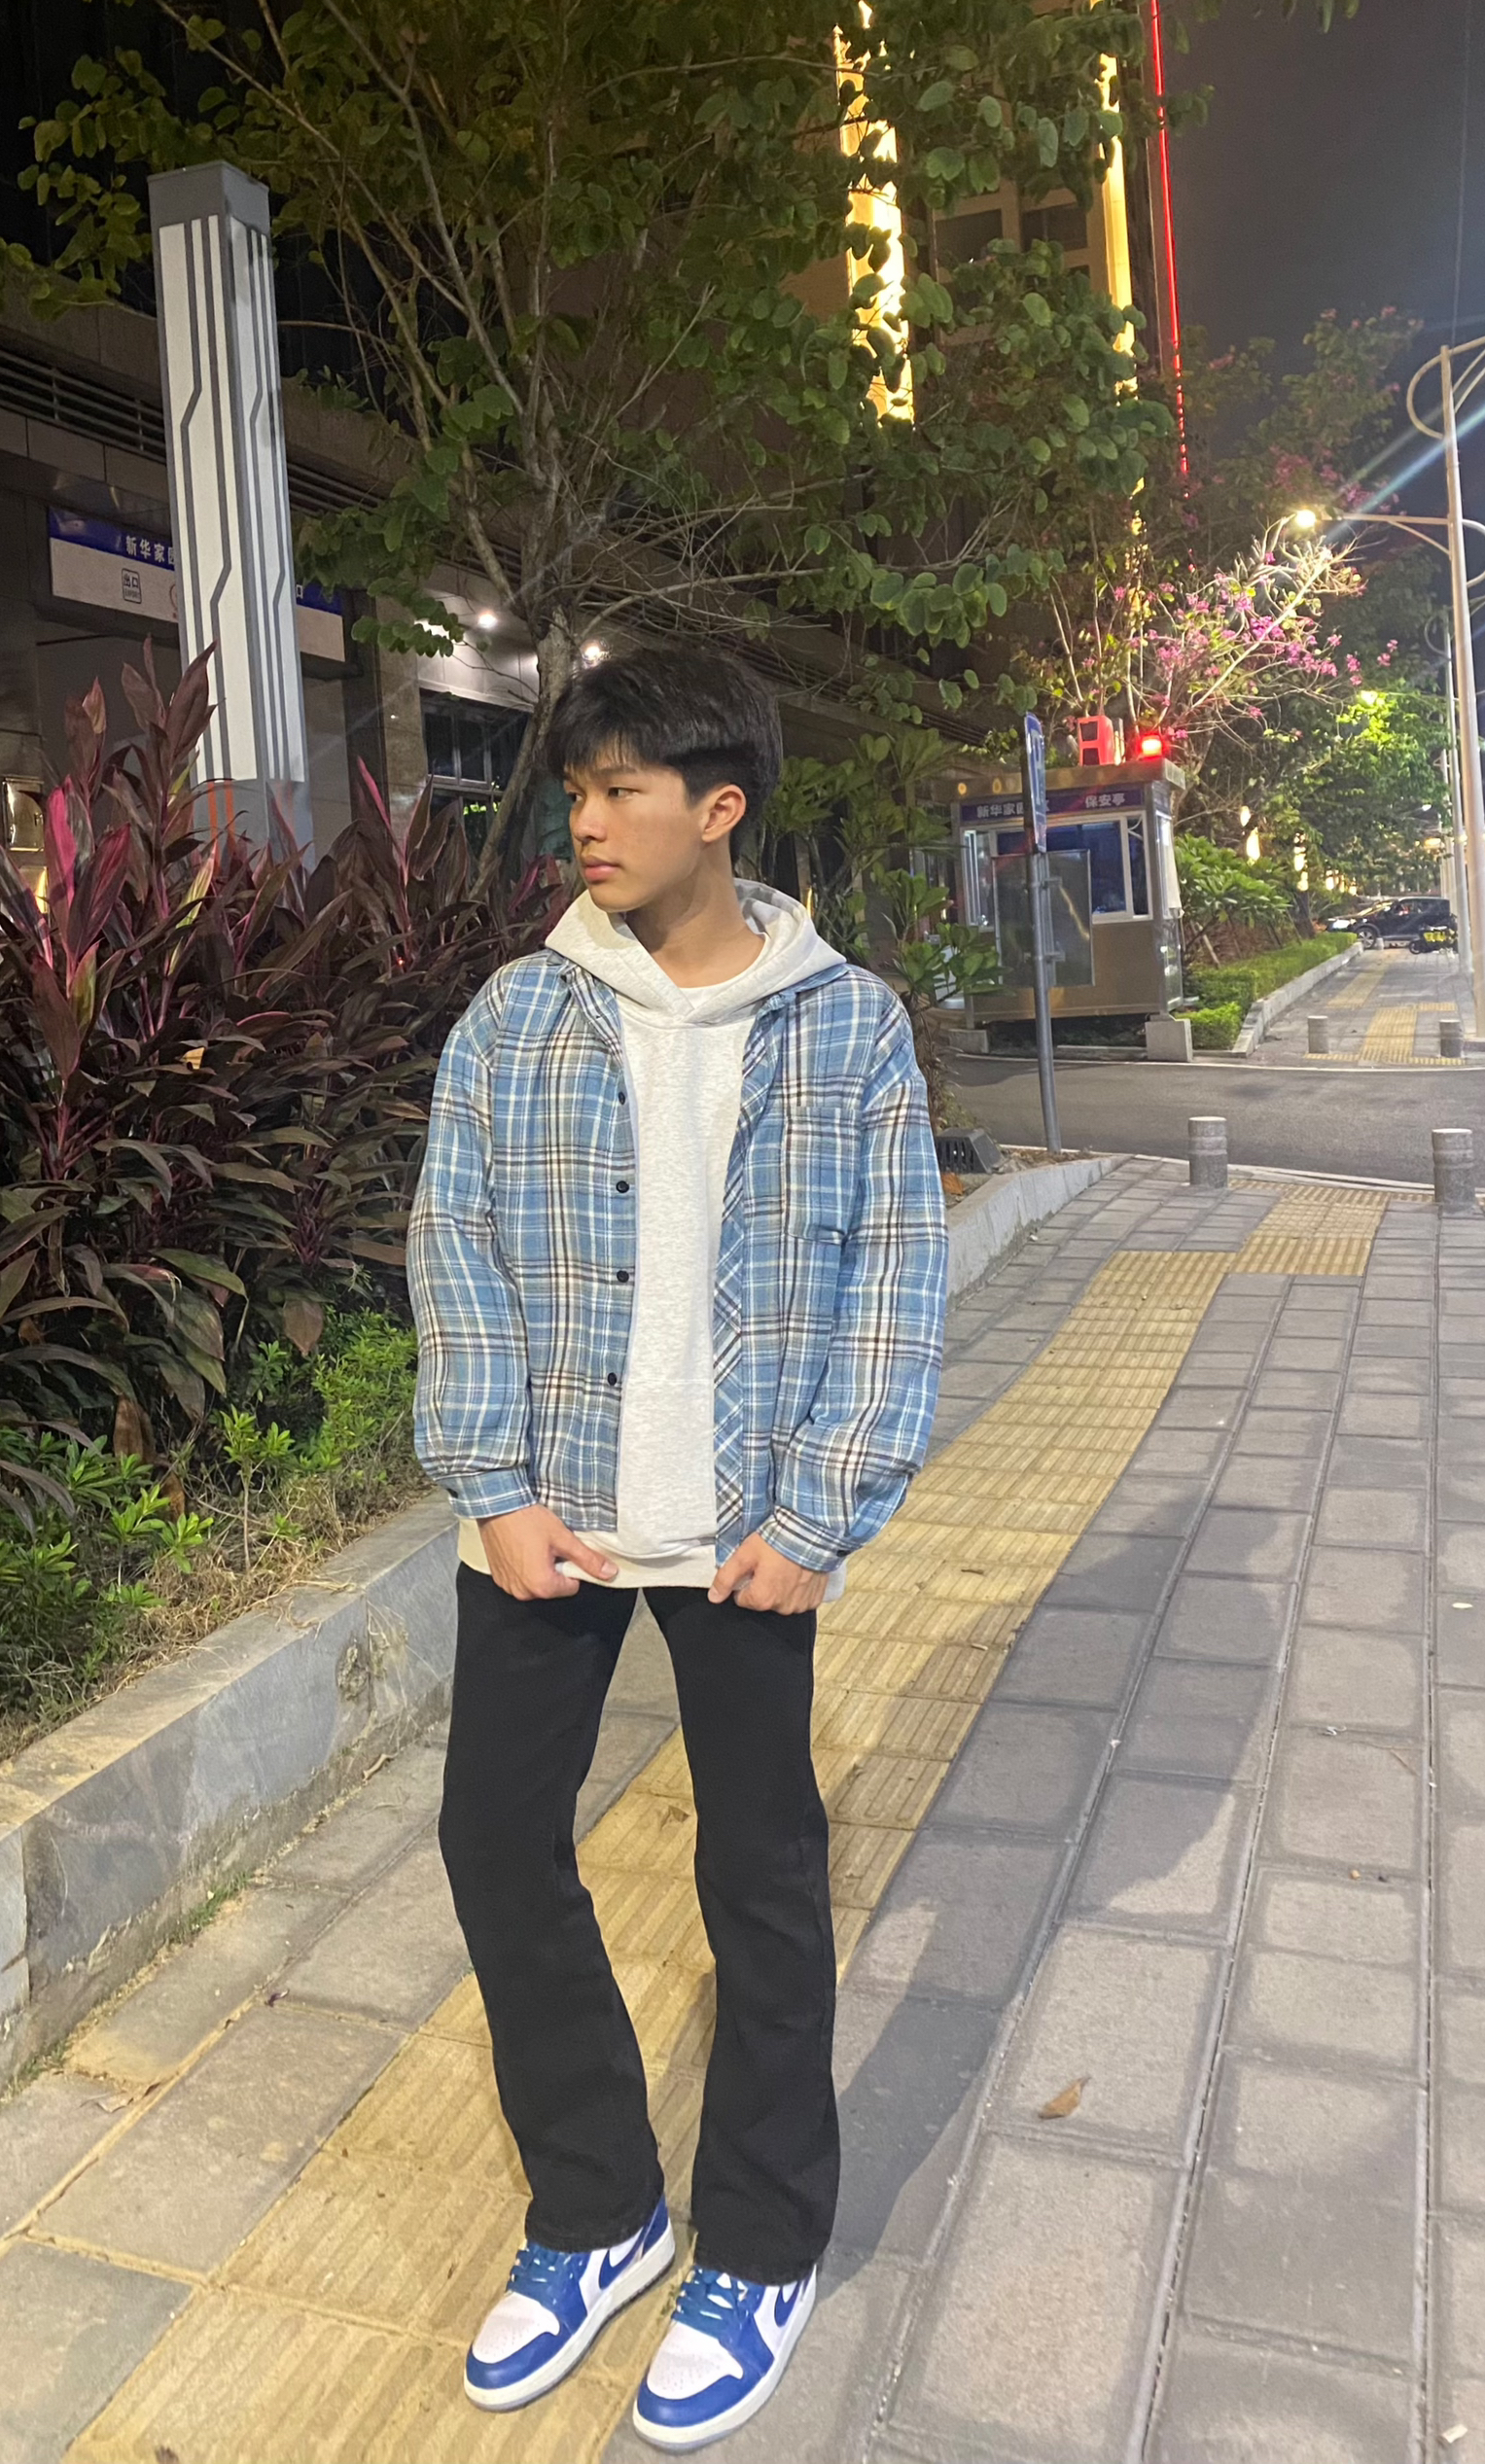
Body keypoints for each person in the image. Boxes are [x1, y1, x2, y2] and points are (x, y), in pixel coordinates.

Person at [407, 646, 945, 2451]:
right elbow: (453, 1246)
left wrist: (822, 1509)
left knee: (760, 1873)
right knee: (496, 1836)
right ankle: (599, 2208)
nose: (586, 819)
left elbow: (895, 1278)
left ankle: (763, 2241)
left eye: (622, 788)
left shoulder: (844, 1025)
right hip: (550, 1514)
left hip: (746, 1535)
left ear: (720, 807)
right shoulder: (518, 1015)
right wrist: (491, 1480)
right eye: (576, 789)